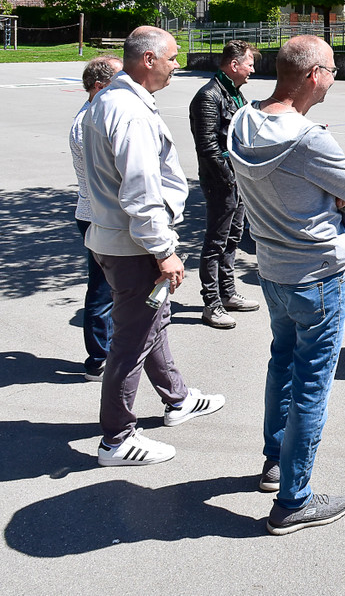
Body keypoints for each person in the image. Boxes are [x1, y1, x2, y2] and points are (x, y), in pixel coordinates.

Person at [228, 35, 345, 535]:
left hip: (271, 266)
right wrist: (325, 186)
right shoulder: (310, 138)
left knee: (283, 362)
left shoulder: (243, 119)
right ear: (313, 74)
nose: (336, 77)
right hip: (316, 275)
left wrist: (316, 183)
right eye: (333, 69)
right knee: (311, 379)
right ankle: (294, 499)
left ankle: (275, 461)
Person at [82, 26, 224, 467]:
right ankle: (117, 439)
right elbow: (141, 191)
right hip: (134, 245)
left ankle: (177, 398)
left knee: (151, 322)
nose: (177, 64)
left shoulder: (107, 101)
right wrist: (164, 250)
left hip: (116, 238)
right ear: (148, 60)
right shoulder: (130, 112)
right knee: (133, 339)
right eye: (172, 57)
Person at [189, 39, 262, 329]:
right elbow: (207, 147)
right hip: (221, 182)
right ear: (234, 65)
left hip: (237, 180)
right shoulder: (208, 96)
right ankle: (212, 303)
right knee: (216, 242)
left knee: (233, 238)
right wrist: (230, 179)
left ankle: (228, 293)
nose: (252, 70)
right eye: (249, 64)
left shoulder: (235, 94)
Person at [69, 55, 121, 382]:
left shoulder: (96, 115)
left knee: (109, 289)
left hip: (97, 214)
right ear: (99, 87)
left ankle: (105, 353)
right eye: (120, 80)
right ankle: (99, 359)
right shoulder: (88, 122)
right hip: (97, 216)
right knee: (102, 291)